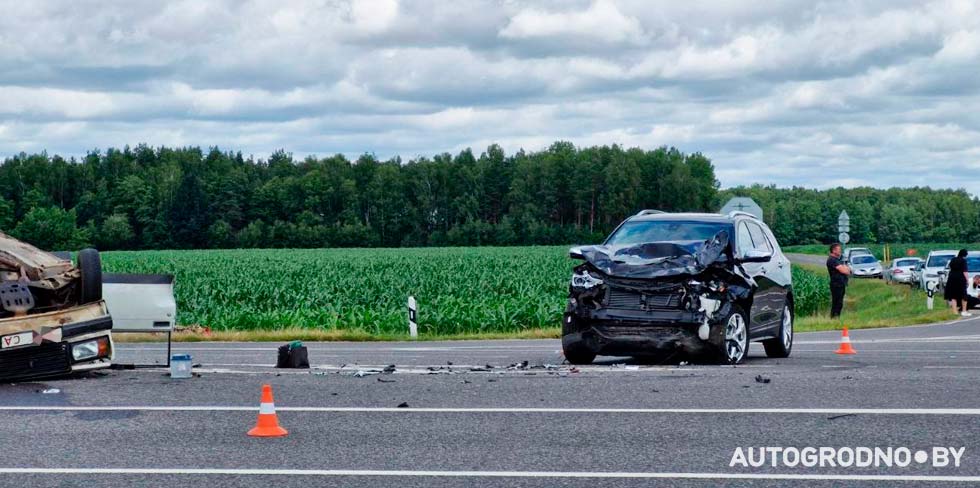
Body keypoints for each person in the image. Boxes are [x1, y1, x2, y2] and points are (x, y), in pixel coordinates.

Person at [826, 243, 851, 319]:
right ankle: (834, 318)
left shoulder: (837, 260)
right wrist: (845, 268)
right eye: (839, 250)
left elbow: (848, 270)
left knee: (839, 303)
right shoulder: (832, 260)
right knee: (837, 303)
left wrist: (846, 268)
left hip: (841, 284)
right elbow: (845, 271)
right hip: (836, 284)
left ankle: (836, 318)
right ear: (834, 250)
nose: (840, 251)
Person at [945, 249, 971, 317]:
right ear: (965, 255)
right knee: (963, 295)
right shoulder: (963, 260)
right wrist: (967, 280)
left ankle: (955, 312)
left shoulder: (953, 259)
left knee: (953, 296)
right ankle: (964, 311)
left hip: (951, 278)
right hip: (960, 278)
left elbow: (950, 268)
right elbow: (965, 271)